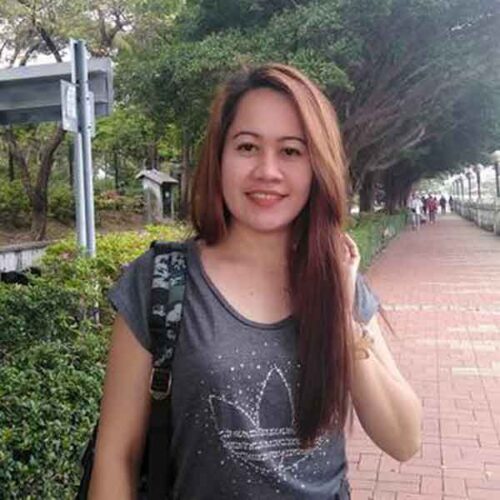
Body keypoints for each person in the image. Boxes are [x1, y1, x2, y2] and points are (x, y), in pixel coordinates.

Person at [89, 64, 421, 499]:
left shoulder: (337, 281)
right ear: (220, 157)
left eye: (291, 151)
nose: (267, 171)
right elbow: (117, 455)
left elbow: (403, 439)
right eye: (247, 147)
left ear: (316, 166)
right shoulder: (161, 280)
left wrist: (342, 317)